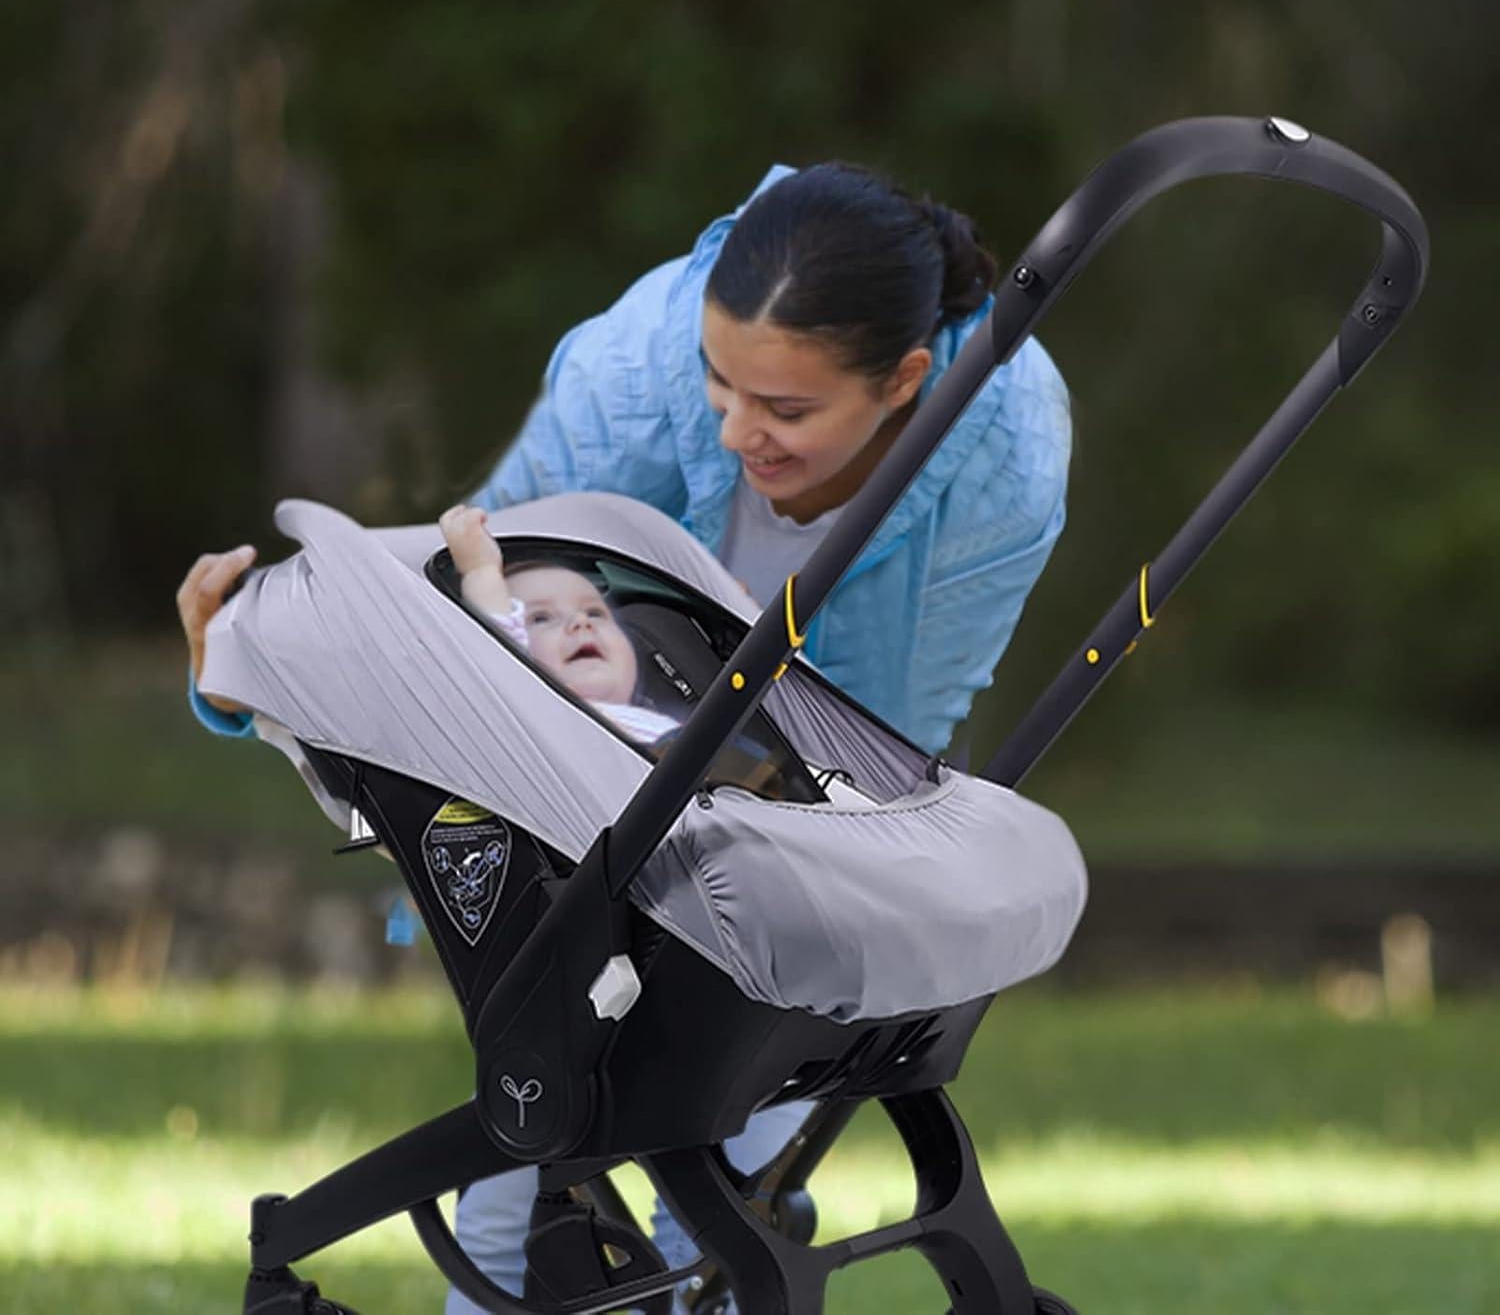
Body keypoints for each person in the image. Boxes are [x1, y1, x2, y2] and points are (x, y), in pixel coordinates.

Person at [176, 160, 1071, 1312]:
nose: (744, 429)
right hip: (587, 703)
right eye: (722, 386)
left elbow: (879, 740)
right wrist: (241, 681)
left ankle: (715, 1226)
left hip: (800, 728)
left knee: (777, 1021)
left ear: (904, 381)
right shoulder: (631, 378)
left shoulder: (1001, 455)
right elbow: (445, 641)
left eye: (787, 409)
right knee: (556, 1051)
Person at [438, 502, 679, 744]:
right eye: (541, 618)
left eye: (595, 613)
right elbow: (495, 639)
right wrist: (480, 568)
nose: (581, 621)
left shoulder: (657, 720)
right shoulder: (546, 717)